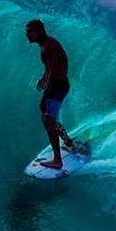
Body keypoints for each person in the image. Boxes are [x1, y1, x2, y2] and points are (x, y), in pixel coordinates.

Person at [25, 19, 76, 169]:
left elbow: (54, 72)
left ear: (39, 30)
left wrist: (45, 96)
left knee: (49, 122)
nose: (27, 34)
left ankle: (57, 160)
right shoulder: (45, 45)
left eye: (30, 31)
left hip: (58, 85)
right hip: (57, 84)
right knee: (47, 120)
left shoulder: (49, 45)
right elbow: (50, 68)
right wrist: (43, 78)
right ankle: (67, 142)